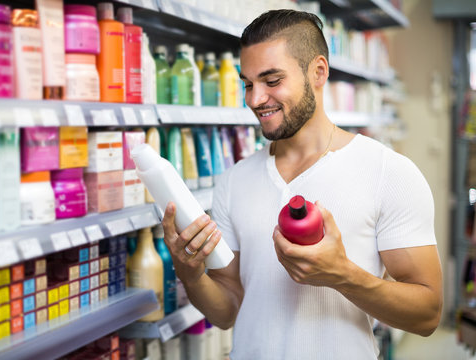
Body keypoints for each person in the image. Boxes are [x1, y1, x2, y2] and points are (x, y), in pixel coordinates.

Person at [161, 9, 442, 359]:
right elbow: (227, 309)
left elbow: (428, 314)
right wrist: (191, 275)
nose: (254, 99)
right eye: (248, 83)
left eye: (272, 80)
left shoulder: (388, 172)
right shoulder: (235, 180)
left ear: (318, 71)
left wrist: (342, 275)